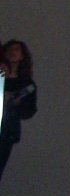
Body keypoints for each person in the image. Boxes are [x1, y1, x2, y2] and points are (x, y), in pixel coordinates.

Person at [0, 40, 37, 181]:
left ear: (22, 56)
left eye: (16, 50)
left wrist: (17, 104)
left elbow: (29, 111)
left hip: (7, 131)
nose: (12, 52)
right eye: (9, 49)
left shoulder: (26, 83)